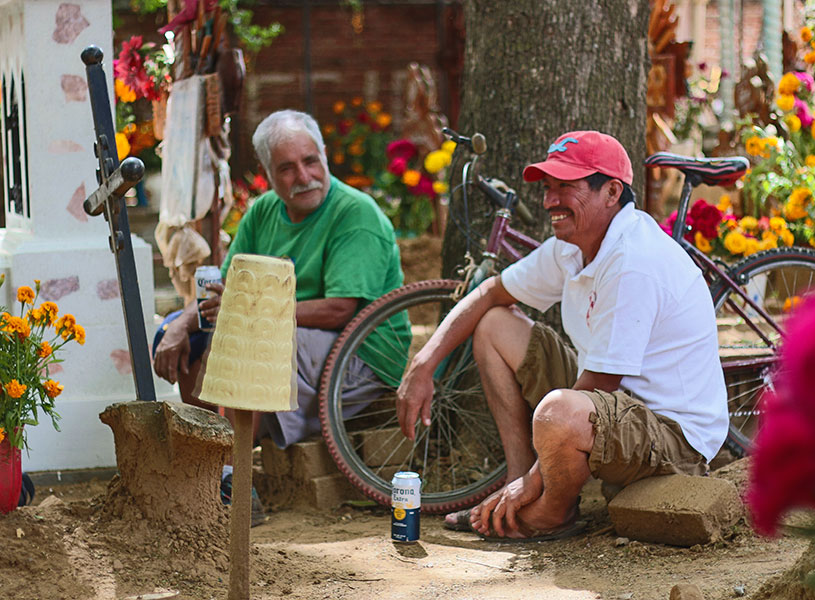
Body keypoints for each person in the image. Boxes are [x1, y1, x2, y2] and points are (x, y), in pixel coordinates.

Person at [396, 131, 728, 540]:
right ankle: (516, 486)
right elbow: (489, 293)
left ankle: (552, 511)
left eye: (565, 187)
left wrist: (537, 481)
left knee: (559, 412)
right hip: (614, 407)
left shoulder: (633, 261)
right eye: (547, 187)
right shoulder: (572, 245)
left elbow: (600, 387)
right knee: (494, 324)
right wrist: (423, 363)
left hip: (674, 436)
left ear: (611, 191)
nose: (549, 200)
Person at [153, 109, 406, 451]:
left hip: (361, 355)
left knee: (250, 334)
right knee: (182, 335)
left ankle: (230, 474)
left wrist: (254, 313)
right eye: (286, 168)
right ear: (268, 173)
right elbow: (222, 290)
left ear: (325, 156)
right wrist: (180, 325)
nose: (304, 176)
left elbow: (340, 310)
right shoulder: (263, 212)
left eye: (310, 161)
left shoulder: (355, 214)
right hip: (296, 336)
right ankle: (207, 458)